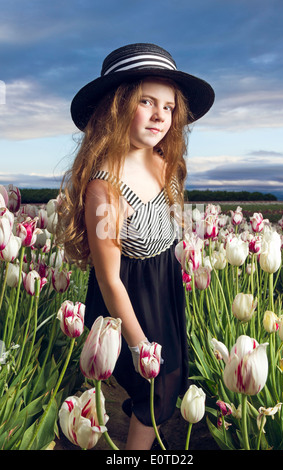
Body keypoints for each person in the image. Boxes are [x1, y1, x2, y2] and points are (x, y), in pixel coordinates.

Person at [57, 43, 214, 450]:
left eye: (168, 106)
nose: (161, 115)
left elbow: (170, 229)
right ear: (117, 107)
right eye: (146, 101)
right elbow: (109, 280)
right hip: (127, 298)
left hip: (165, 289)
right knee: (156, 387)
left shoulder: (168, 163)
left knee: (173, 377)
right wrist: (138, 343)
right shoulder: (104, 189)